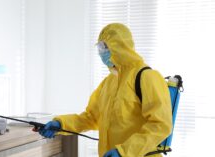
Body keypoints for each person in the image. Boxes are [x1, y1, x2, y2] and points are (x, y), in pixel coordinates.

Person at [38, 23, 172, 157]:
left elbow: (160, 125)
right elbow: (90, 118)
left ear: (120, 47)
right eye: (99, 47)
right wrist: (60, 124)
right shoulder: (108, 83)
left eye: (104, 47)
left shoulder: (147, 77)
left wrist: (124, 151)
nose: (101, 52)